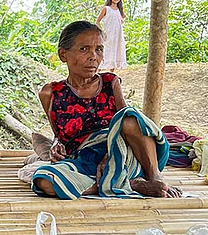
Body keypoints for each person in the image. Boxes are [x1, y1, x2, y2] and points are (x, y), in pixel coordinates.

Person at [32, 21, 181, 200]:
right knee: (44, 180)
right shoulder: (50, 93)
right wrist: (57, 144)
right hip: (84, 160)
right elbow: (59, 133)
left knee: (130, 119)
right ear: (63, 55)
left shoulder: (110, 82)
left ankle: (154, 177)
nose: (93, 56)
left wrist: (110, 154)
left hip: (127, 155)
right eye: (84, 49)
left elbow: (127, 124)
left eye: (99, 49)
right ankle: (124, 184)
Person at [95, 0, 127, 72]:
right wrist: (102, 32)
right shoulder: (106, 9)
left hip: (118, 34)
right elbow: (97, 21)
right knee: (105, 51)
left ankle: (112, 72)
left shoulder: (119, 10)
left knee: (116, 50)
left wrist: (123, 19)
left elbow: (121, 20)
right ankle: (98, 71)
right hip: (108, 33)